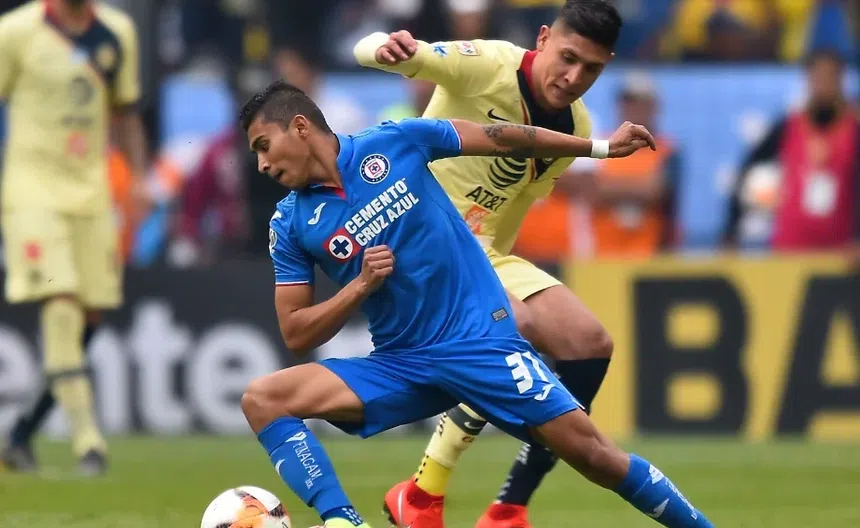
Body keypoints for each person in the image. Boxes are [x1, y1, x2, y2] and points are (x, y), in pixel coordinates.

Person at [238, 80, 714, 528]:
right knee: (263, 399)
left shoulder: (395, 142)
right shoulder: (290, 224)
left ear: (300, 126)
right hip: (402, 364)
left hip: (479, 343)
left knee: (596, 457)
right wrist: (358, 288)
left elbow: (501, 138)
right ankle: (343, 520)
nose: (261, 164)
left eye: (263, 145)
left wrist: (600, 148)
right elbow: (296, 333)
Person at [352, 1, 626, 525]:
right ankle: (426, 490)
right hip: (417, 239)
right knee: (510, 325)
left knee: (589, 343)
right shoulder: (487, 64)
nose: (573, 78)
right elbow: (376, 52)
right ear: (543, 39)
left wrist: (492, 271)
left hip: (481, 252)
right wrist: (383, 47)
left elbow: (508, 211)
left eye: (590, 69)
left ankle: (508, 507)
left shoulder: (575, 127)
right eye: (567, 58)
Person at [0, 0, 146, 475]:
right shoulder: (15, 32)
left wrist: (138, 182)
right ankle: (89, 443)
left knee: (90, 316)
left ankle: (21, 434)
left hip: (92, 194)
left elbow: (126, 112)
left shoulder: (117, 31)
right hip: (31, 191)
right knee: (60, 302)